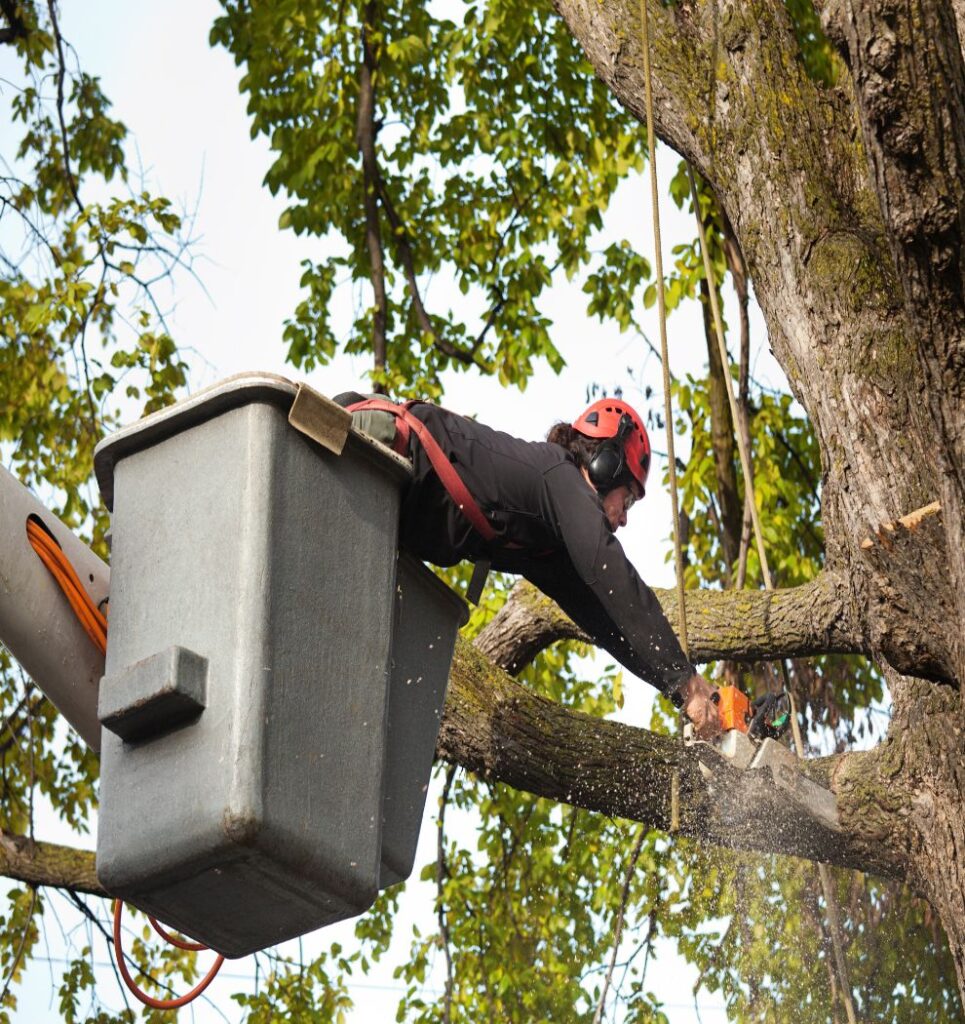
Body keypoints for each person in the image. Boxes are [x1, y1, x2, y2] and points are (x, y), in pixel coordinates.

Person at [334, 391, 721, 740]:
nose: (624, 519)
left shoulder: (547, 543)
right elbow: (612, 573)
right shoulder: (560, 476)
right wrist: (688, 683)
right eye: (629, 499)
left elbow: (608, 619)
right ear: (606, 465)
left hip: (382, 502)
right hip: (370, 446)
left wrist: (680, 690)